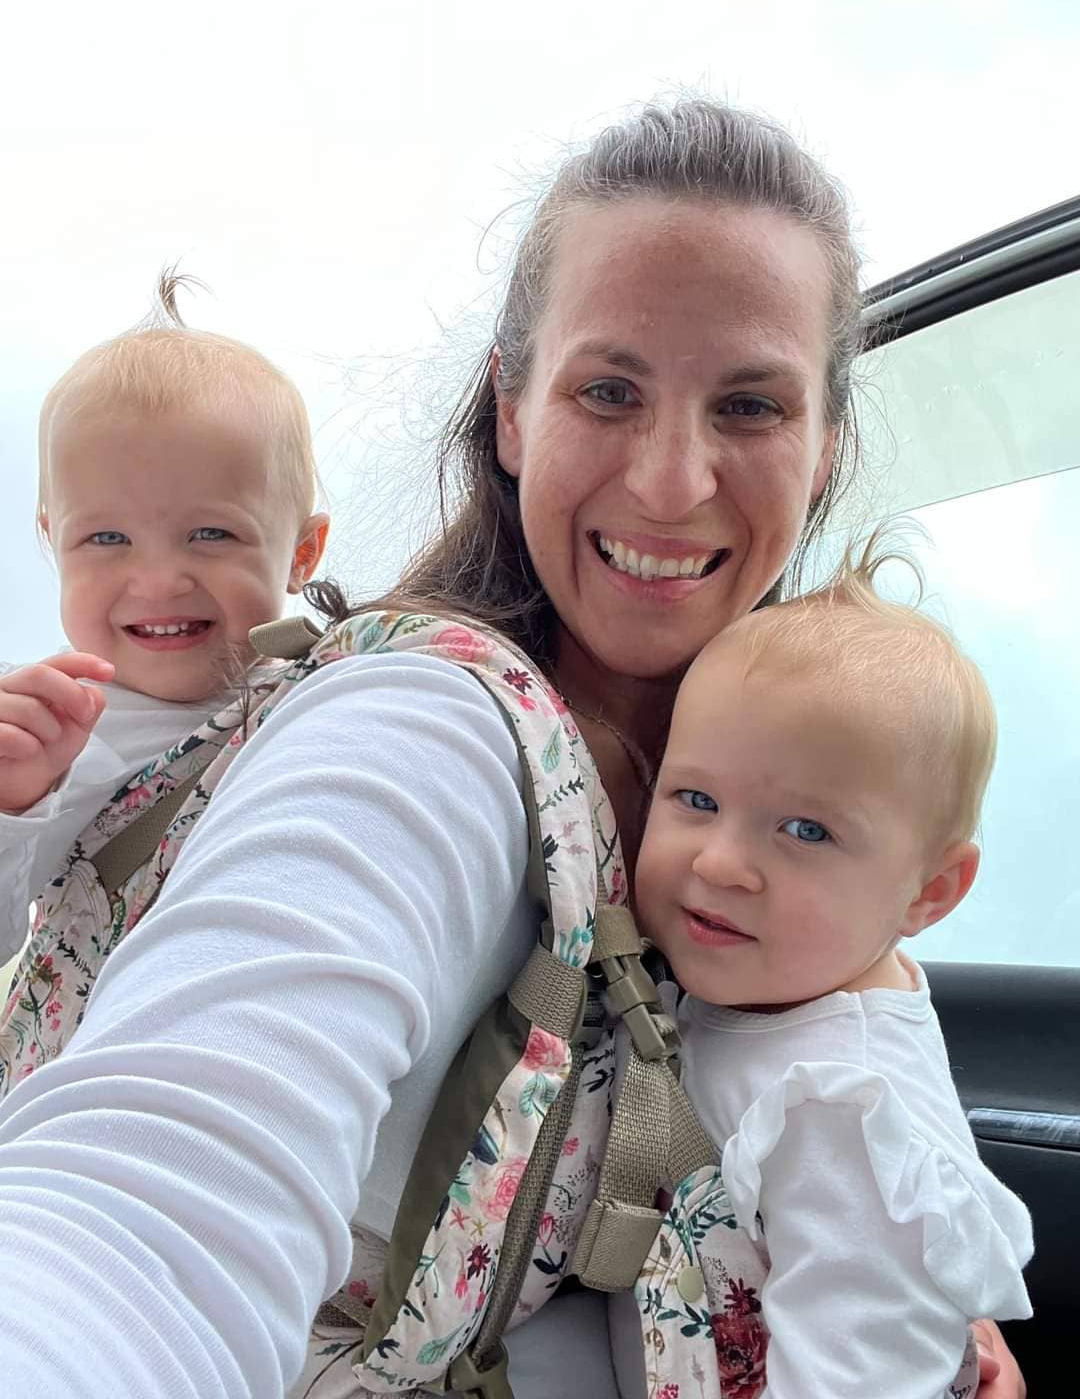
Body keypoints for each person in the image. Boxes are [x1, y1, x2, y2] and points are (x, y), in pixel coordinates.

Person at [0, 102, 1025, 1398]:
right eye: (609, 391)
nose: (670, 482)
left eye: (750, 404)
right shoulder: (423, 729)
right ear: (511, 412)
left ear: (824, 451)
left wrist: (910, 1299)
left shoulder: (750, 798)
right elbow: (163, 1195)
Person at [616, 540, 1032, 1398]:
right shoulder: (776, 983)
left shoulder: (842, 1108)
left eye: (806, 831)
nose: (720, 862)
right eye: (696, 799)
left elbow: (861, 1374)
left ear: (930, 891)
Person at [0, 277, 330, 968]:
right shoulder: (54, 729)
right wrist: (12, 803)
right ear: (53, 542)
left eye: (210, 534)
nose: (157, 581)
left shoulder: (330, 690)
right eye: (107, 539)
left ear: (302, 553)